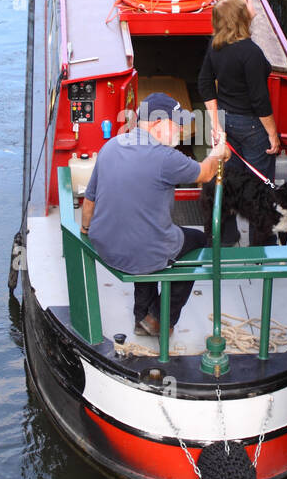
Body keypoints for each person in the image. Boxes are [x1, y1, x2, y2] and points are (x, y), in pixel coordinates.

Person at [80, 92, 225, 337]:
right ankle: (159, 318)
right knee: (198, 241)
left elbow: (89, 203)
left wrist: (85, 231)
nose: (181, 131)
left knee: (144, 239)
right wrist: (218, 151)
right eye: (177, 124)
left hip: (107, 247)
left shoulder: (111, 145)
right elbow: (206, 173)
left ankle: (140, 318)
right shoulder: (166, 158)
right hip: (142, 250)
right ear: (158, 125)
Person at [198, 0, 281, 245]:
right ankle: (260, 247)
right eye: (248, 3)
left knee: (228, 180)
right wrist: (273, 135)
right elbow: (259, 100)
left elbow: (204, 83)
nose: (252, 4)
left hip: (226, 122)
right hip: (252, 126)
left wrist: (215, 124)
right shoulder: (251, 53)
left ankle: (225, 237)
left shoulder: (216, 46)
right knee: (259, 188)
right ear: (241, 16)